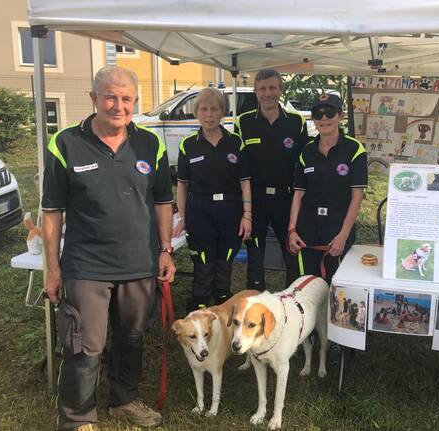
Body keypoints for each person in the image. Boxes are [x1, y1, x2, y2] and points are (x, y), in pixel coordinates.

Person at [42, 65, 175, 430]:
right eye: (111, 97)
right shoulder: (66, 143)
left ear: (135, 101)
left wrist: (165, 249)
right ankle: (78, 418)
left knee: (131, 338)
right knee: (85, 345)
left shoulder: (151, 143)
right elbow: (52, 212)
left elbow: (163, 200)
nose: (119, 106)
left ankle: (125, 399)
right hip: (87, 265)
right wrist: (52, 268)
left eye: (127, 99)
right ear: (94, 99)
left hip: (140, 263)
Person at [173, 88, 252, 312]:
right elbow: (182, 184)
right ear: (197, 112)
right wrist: (183, 217)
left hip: (230, 209)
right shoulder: (187, 145)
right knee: (204, 265)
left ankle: (222, 306)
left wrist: (247, 216)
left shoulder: (236, 142)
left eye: (214, 109)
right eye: (203, 109)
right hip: (200, 210)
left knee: (224, 263)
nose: (209, 114)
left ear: (223, 112)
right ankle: (198, 308)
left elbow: (245, 182)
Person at [235, 69, 308, 290]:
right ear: (256, 92)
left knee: (291, 251)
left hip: (285, 197)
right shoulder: (244, 122)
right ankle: (255, 297)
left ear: (280, 90)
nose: (267, 93)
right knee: (255, 253)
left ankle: (293, 297)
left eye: (272, 88)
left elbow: (305, 163)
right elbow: (239, 165)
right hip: (255, 198)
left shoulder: (296, 122)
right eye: (262, 89)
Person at [288, 94, 367, 283]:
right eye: (318, 114)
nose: (324, 118)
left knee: (334, 284)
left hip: (337, 227)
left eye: (329, 112)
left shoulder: (355, 150)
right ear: (313, 119)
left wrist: (343, 235)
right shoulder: (306, 151)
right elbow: (299, 193)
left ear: (340, 116)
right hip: (307, 227)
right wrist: (292, 230)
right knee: (306, 283)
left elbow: (357, 196)